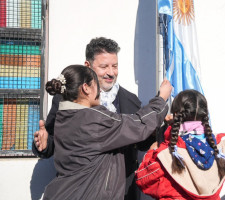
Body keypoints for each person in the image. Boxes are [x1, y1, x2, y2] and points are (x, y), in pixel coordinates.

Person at [33, 37, 149, 199]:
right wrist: (44, 145)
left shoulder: (130, 100)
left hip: (123, 192)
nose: (111, 72)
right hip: (81, 192)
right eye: (104, 66)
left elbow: (144, 140)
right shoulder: (65, 100)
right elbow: (53, 140)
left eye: (114, 66)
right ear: (88, 66)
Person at [41, 65, 171, 199]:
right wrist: (161, 99)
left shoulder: (64, 116)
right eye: (96, 85)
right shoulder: (93, 119)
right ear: (86, 88)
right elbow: (138, 124)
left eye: (115, 65)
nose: (100, 91)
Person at [135, 89, 225, 200]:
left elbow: (143, 180)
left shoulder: (168, 152)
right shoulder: (220, 148)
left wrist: (152, 151)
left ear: (175, 114)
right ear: (204, 114)